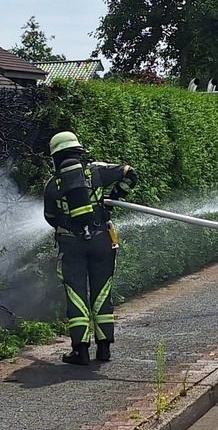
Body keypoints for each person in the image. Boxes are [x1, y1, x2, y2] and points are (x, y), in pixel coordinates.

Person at [42, 131, 138, 365]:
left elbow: (50, 217)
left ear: (55, 156)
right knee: (102, 292)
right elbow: (130, 173)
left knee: (76, 296)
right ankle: (104, 348)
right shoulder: (98, 171)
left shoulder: (53, 185)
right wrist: (116, 195)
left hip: (71, 245)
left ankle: (80, 351)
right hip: (101, 241)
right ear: (78, 150)